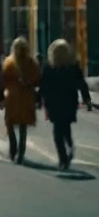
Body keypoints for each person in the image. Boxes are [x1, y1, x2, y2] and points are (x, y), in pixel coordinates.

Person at [36, 39, 93, 171]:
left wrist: (38, 100)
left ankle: (63, 158)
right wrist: (87, 100)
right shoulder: (73, 67)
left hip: (54, 103)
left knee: (57, 132)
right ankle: (69, 146)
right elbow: (82, 85)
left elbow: (43, 86)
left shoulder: (49, 67)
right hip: (69, 103)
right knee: (65, 127)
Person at [0, 36, 40, 164]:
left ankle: (13, 148)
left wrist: (0, 96)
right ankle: (21, 153)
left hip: (12, 97)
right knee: (23, 127)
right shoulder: (32, 63)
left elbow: (3, 80)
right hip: (27, 97)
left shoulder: (9, 62)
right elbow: (38, 79)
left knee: (10, 123)